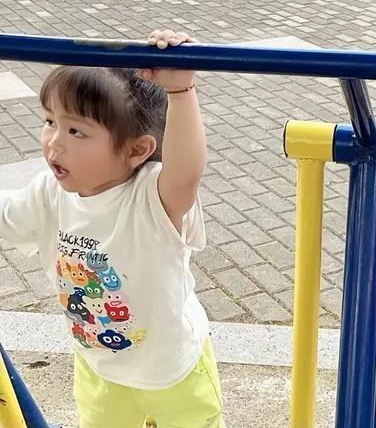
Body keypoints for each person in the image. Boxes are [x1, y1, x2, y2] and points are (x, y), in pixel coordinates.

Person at [0, 35, 223, 427]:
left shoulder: (152, 197)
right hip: (99, 367)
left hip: (172, 370)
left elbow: (186, 171)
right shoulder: (49, 193)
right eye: (50, 122)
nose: (54, 143)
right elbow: (6, 214)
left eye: (76, 132)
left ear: (136, 150)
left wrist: (181, 90)